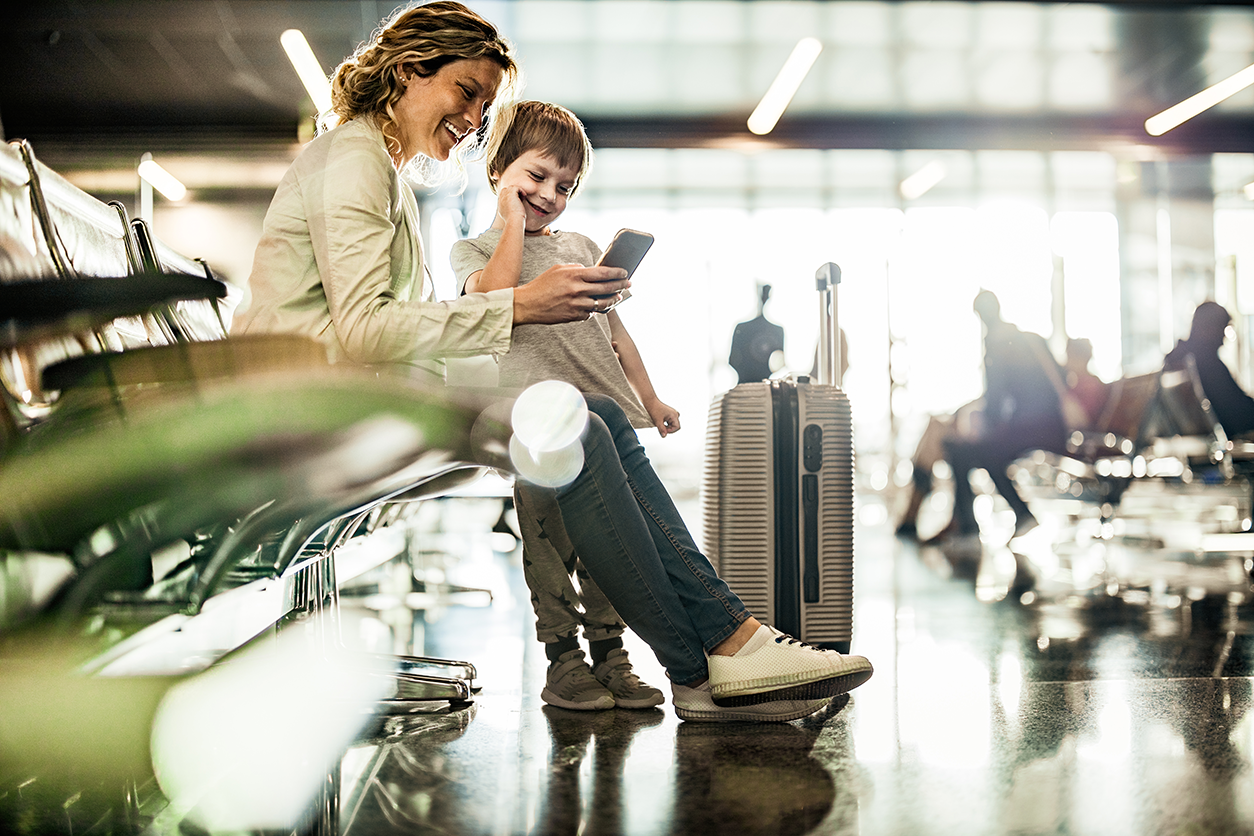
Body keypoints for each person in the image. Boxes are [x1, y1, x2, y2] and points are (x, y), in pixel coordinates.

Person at [235, 1, 872, 722]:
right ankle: (706, 661)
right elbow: (360, 330)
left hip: (356, 397)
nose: (475, 118)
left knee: (591, 413)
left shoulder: (375, 166)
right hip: (321, 410)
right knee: (573, 421)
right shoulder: (355, 159)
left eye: (484, 104)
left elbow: (380, 329)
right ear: (412, 70)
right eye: (466, 93)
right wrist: (523, 306)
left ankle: (727, 645)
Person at [451, 100, 676, 711]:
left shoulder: (579, 244)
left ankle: (611, 654)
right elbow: (495, 299)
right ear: (499, 168)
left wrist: (649, 399)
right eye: (536, 177)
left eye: (565, 186)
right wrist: (511, 223)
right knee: (550, 551)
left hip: (602, 422)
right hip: (534, 431)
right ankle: (563, 661)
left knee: (610, 550)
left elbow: (616, 333)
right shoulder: (473, 253)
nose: (550, 194)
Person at [939, 290, 1066, 541]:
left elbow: (995, 401)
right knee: (970, 451)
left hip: (1034, 428)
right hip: (1055, 425)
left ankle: (978, 524)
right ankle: (1003, 517)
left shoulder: (997, 344)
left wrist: (982, 428)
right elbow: (1060, 379)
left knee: (970, 451)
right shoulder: (1030, 339)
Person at [1164, 301, 1254, 439]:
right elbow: (1239, 414)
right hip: (1225, 446)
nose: (1224, 339)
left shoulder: (1179, 359)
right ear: (1209, 328)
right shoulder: (1209, 364)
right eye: (1222, 329)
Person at [729, 284, 785, 384]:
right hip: (750, 385)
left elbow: (779, 361)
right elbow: (733, 360)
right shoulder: (776, 330)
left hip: (754, 386)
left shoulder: (742, 328)